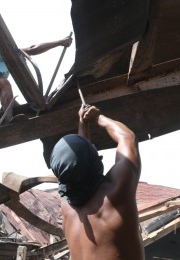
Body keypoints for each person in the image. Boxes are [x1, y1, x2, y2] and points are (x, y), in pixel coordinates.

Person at [49, 105, 144, 260]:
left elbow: (80, 168)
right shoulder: (116, 192)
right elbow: (127, 138)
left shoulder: (67, 207)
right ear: (94, 162)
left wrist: (83, 123)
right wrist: (98, 118)